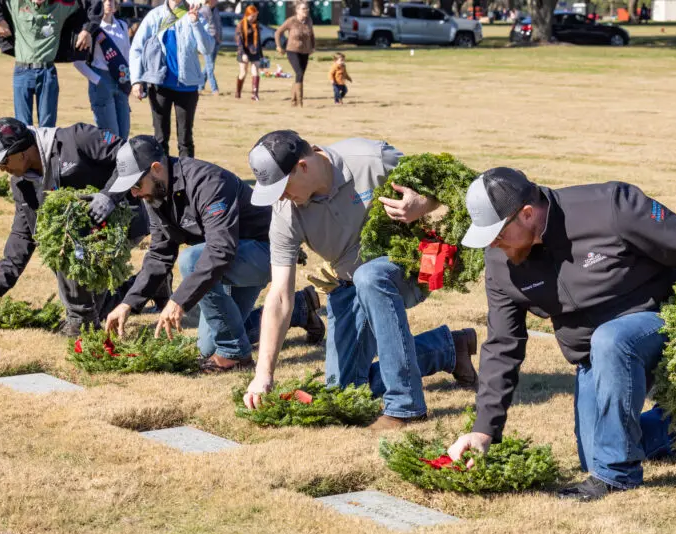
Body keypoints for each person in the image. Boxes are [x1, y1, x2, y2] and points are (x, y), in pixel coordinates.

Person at [446, 168, 676, 502]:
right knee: (595, 452)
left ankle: (618, 478)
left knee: (610, 343)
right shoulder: (501, 263)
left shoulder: (611, 207)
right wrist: (484, 429)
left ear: (527, 214)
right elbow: (503, 345)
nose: (493, 244)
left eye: (497, 234)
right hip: (595, 356)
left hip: (661, 320)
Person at [240, 131, 479, 430]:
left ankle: (405, 406)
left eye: (283, 186)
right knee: (344, 392)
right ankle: (446, 349)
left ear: (303, 166)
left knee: (370, 277)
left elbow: (444, 186)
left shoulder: (371, 160)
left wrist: (422, 203)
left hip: (402, 268)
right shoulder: (285, 212)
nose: (281, 196)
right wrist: (264, 374)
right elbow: (279, 296)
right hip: (349, 284)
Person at [102, 135, 325, 368]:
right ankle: (300, 308)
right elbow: (159, 253)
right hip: (230, 260)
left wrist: (178, 300)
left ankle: (235, 354)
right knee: (208, 347)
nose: (135, 194)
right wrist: (128, 303)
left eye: (136, 185)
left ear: (156, 169)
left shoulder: (207, 181)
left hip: (266, 252)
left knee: (191, 260)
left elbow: (220, 250)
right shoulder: (155, 195)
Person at [0, 117, 163, 336]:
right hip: (80, 237)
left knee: (69, 252)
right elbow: (23, 234)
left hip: (123, 219)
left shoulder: (78, 139)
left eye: (3, 162)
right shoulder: (21, 184)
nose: (2, 169)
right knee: (95, 301)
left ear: (22, 152)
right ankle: (153, 283)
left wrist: (109, 197)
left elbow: (131, 156)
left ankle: (80, 324)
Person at [129, 0, 214, 158]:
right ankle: (162, 179)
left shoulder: (195, 14)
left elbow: (207, 48)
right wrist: (136, 80)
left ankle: (188, 178)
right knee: (160, 139)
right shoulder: (154, 16)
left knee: (185, 139)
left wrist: (195, 23)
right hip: (160, 85)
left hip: (187, 86)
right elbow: (137, 48)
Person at [0, 0, 93, 128]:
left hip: (47, 73)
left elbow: (90, 6)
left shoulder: (61, 6)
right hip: (22, 72)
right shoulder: (17, 4)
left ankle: (45, 149)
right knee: (23, 127)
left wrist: (87, 30)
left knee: (47, 128)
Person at [73, 0, 132, 138]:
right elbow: (77, 62)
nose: (108, 3)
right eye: (104, 0)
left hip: (121, 79)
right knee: (110, 136)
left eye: (111, 0)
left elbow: (127, 55)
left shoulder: (122, 26)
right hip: (101, 80)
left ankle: (121, 160)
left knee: (124, 134)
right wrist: (98, 80)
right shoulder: (90, 29)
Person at [275, 0, 315, 107]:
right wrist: (279, 46)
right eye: (303, 9)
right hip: (292, 51)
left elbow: (311, 35)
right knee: (299, 73)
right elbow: (278, 32)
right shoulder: (291, 21)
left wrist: (313, 47)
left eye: (307, 8)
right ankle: (300, 102)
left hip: (305, 51)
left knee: (300, 75)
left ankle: (294, 101)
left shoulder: (309, 20)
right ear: (297, 10)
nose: (306, 11)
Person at [236, 5, 263, 100]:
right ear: (247, 15)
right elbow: (239, 41)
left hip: (254, 52)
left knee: (255, 70)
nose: (254, 18)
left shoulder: (256, 25)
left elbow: (258, 41)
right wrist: (243, 53)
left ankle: (254, 94)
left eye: (255, 16)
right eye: (252, 16)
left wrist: (261, 55)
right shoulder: (240, 25)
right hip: (243, 51)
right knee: (243, 72)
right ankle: (238, 92)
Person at [199, 0, 222, 94]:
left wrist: (219, 37)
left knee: (209, 66)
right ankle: (214, 89)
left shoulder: (215, 9)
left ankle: (200, 86)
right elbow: (205, 27)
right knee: (210, 66)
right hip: (208, 40)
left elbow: (218, 25)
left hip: (217, 40)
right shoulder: (203, 10)